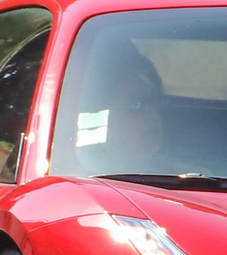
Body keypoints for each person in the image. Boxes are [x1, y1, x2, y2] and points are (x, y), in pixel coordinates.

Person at [69, 43, 170, 174]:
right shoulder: (74, 184)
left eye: (156, 101)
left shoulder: (187, 178)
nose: (153, 114)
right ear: (99, 113)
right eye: (136, 105)